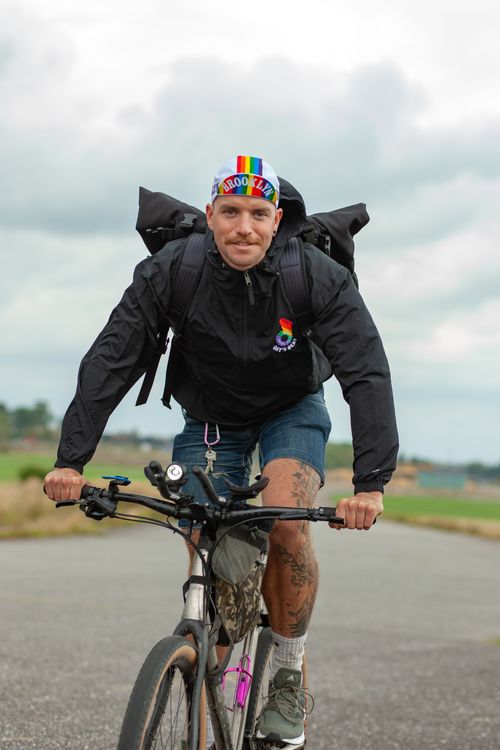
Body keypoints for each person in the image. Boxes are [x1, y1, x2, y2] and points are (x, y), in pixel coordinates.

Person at [44, 155, 398, 748]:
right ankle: (206, 693)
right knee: (213, 551)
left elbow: (366, 371)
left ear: (275, 219)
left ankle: (286, 669)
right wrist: (70, 461)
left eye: (258, 214)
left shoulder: (313, 274)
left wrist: (371, 482)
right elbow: (112, 357)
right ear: (209, 216)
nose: (243, 227)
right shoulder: (171, 271)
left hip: (292, 410)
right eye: (230, 212)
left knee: (285, 520)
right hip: (211, 417)